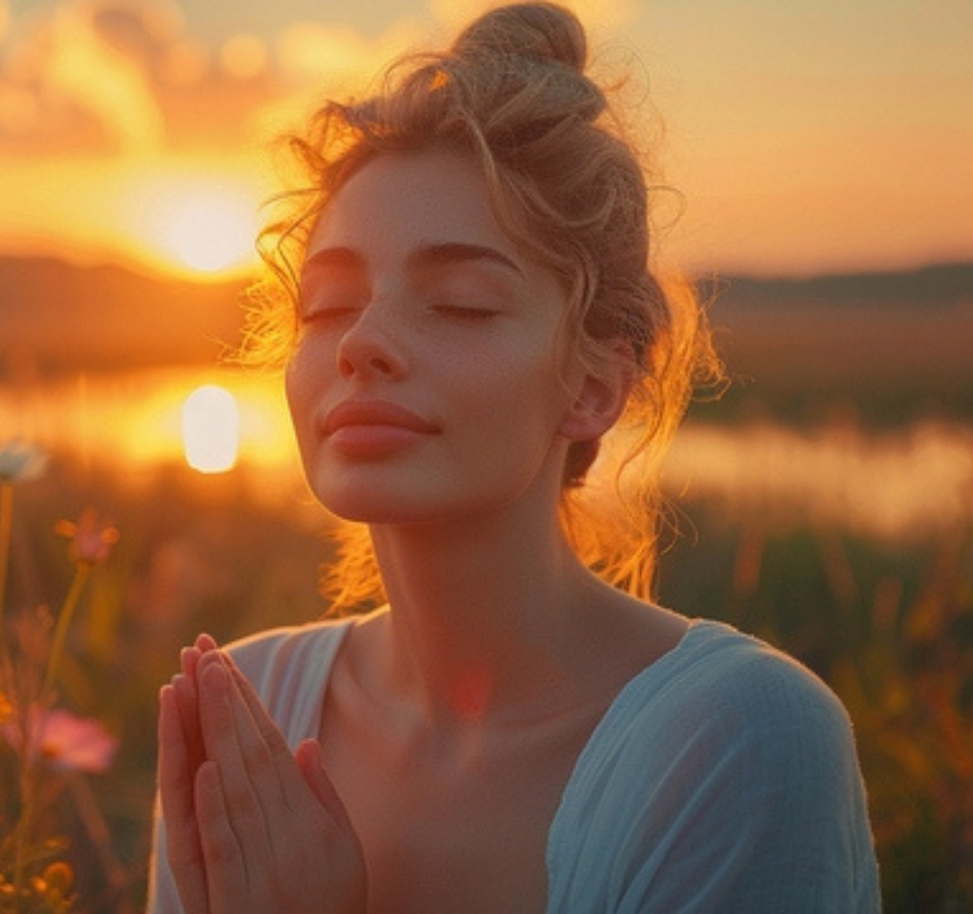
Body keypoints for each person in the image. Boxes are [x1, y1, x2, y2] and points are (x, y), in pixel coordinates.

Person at [150, 3, 880, 911]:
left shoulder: (740, 738)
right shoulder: (244, 707)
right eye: (329, 304)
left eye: (459, 302)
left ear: (595, 387)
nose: (361, 343)